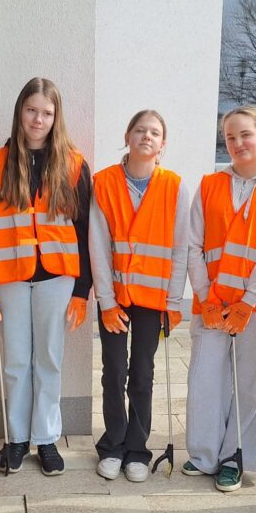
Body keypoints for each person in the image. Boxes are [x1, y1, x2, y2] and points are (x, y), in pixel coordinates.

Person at [0, 77, 92, 476]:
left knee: (49, 360)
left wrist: (82, 290)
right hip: (9, 279)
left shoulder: (74, 165)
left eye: (47, 113)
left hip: (58, 278)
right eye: (32, 110)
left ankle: (47, 438)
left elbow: (86, 231)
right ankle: (17, 439)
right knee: (17, 362)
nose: (38, 119)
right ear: (20, 112)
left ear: (56, 118)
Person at [184, 105, 256, 492]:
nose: (237, 143)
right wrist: (206, 298)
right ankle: (204, 454)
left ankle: (236, 457)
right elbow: (193, 245)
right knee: (205, 380)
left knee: (250, 386)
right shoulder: (210, 184)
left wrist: (247, 303)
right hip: (212, 305)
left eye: (245, 134)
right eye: (230, 137)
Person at [89, 110, 189, 483]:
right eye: (140, 130)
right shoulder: (104, 183)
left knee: (142, 373)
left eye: (155, 132)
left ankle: (137, 450)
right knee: (114, 371)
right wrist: (106, 301)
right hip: (115, 298)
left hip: (153, 300)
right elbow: (98, 246)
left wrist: (173, 303)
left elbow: (180, 248)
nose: (147, 136)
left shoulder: (175, 187)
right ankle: (112, 446)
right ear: (127, 136)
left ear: (163, 144)